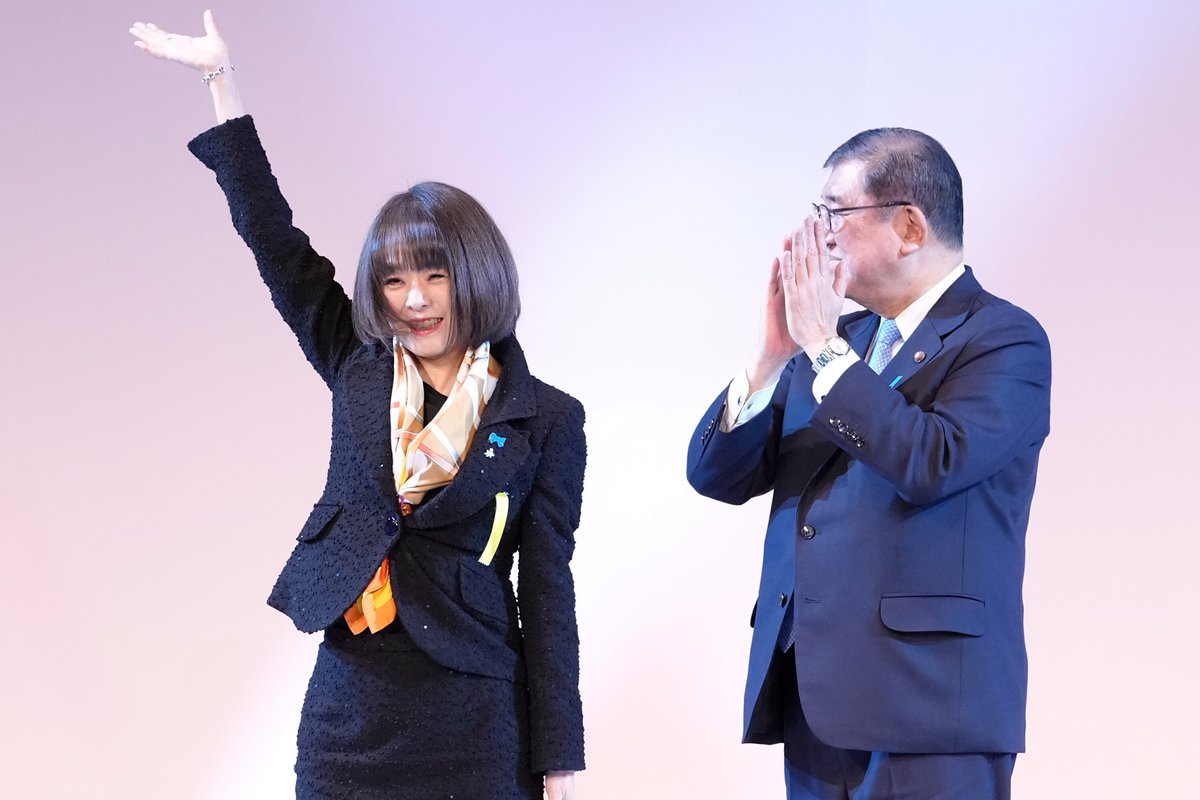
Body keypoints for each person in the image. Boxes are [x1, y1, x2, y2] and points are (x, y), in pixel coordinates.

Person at [129, 12, 585, 800]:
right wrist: (221, 86)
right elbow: (279, 248)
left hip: (473, 718)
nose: (414, 300)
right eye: (394, 279)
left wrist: (561, 765)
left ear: (476, 274)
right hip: (348, 712)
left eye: (435, 275)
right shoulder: (358, 367)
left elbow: (547, 591)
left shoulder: (546, 416)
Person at [686, 128, 1051, 799]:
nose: (816, 235)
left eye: (835, 214)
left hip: (931, 707)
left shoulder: (1003, 339)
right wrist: (773, 354)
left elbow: (931, 460)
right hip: (815, 699)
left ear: (908, 226)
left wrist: (823, 348)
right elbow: (718, 475)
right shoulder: (837, 344)